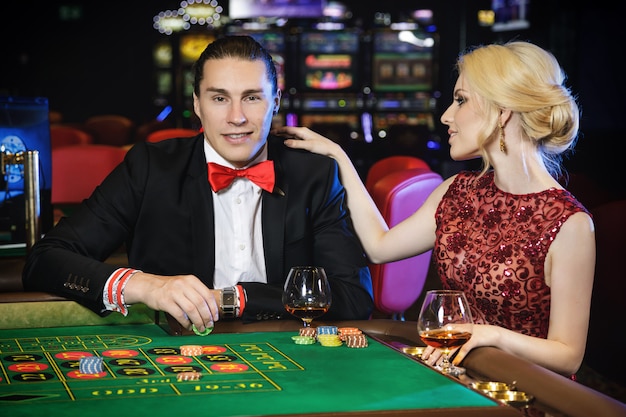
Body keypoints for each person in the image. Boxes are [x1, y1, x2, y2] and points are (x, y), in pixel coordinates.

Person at [276, 40, 595, 377]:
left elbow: (568, 355)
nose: (446, 115)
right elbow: (378, 246)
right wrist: (339, 157)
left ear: (502, 113)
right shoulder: (456, 191)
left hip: (528, 390)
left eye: (461, 100)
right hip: (457, 374)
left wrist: (490, 336)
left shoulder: (568, 223)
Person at [22, 35, 374, 331]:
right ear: (198, 104)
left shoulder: (313, 174)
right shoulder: (150, 167)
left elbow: (354, 298)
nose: (236, 117)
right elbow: (45, 259)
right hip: (174, 350)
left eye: (252, 97)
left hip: (285, 351)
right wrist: (145, 285)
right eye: (220, 98)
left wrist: (240, 298)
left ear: (276, 102)